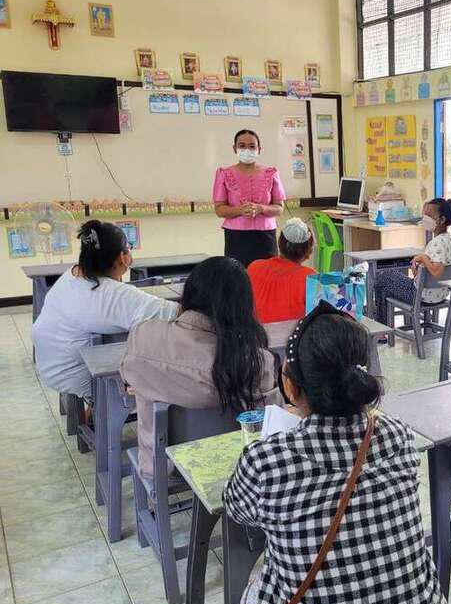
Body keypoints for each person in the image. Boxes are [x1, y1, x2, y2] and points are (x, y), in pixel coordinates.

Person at [223, 302, 451, 604]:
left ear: (290, 386)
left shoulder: (266, 461)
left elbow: (237, 509)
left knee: (261, 583)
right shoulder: (400, 436)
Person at [121, 256, 280, 480]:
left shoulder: (143, 336)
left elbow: (127, 377)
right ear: (243, 307)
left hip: (163, 466)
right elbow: (269, 425)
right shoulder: (255, 362)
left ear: (189, 292)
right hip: (233, 469)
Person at [32, 221, 178, 402]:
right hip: (80, 375)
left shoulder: (72, 274)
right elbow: (175, 313)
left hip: (50, 365)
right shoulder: (111, 294)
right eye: (129, 249)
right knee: (172, 365)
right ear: (123, 257)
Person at [372, 197, 451, 325]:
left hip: (420, 295)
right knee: (384, 288)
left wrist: (423, 258)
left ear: (441, 220)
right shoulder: (449, 239)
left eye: (429, 216)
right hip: (440, 294)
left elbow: (437, 271)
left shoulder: (437, 243)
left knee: (383, 277)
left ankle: (381, 327)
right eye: (425, 215)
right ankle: (382, 325)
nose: (425, 218)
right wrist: (421, 265)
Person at [213, 130, 286, 267]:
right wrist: (240, 210)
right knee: (238, 275)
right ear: (235, 148)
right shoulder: (224, 173)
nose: (247, 150)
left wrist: (261, 208)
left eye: (252, 146)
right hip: (236, 236)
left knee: (267, 273)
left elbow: (279, 208)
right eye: (242, 146)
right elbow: (219, 209)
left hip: (265, 235)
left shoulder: (271, 173)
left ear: (259, 149)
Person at [247, 217, 316, 323]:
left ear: (279, 243)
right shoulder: (311, 278)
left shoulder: (254, 267)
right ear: (309, 251)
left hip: (253, 332)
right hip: (292, 333)